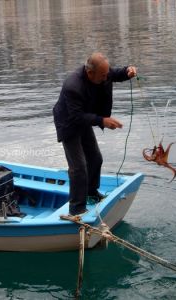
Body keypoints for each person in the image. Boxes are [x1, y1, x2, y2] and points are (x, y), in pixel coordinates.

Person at [53, 52, 137, 216]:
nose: (106, 78)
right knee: (78, 168)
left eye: (107, 74)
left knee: (95, 159)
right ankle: (76, 208)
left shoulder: (103, 73)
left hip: (85, 119)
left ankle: (91, 192)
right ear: (90, 72)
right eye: (103, 75)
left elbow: (117, 74)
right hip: (69, 123)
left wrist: (128, 71)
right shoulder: (73, 85)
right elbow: (76, 117)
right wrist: (102, 120)